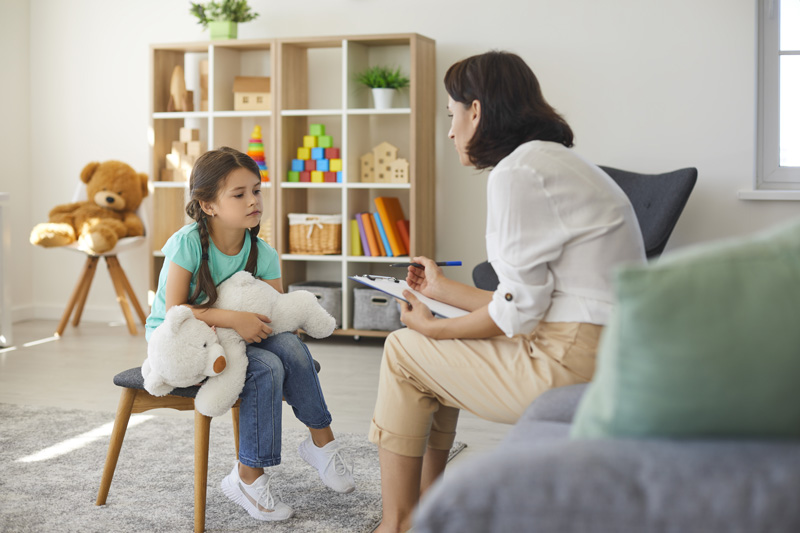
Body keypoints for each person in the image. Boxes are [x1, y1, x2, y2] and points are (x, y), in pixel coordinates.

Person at [368, 51, 647, 532]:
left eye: (452, 115)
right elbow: (532, 302)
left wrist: (435, 330)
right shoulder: (555, 162)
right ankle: (428, 508)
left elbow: (514, 316)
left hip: (568, 362)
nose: (451, 131)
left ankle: (397, 524)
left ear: (477, 111)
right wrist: (441, 290)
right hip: (605, 350)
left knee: (403, 350)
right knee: (431, 351)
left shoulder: (517, 173)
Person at [145, 147, 355, 522]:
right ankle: (247, 476)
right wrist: (234, 319)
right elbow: (175, 312)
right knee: (267, 368)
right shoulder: (188, 243)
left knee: (288, 345)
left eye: (256, 190)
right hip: (184, 341)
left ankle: (321, 442)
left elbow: (275, 317)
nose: (253, 200)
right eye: (239, 194)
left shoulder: (263, 253)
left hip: (236, 338)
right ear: (208, 205)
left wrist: (245, 323)